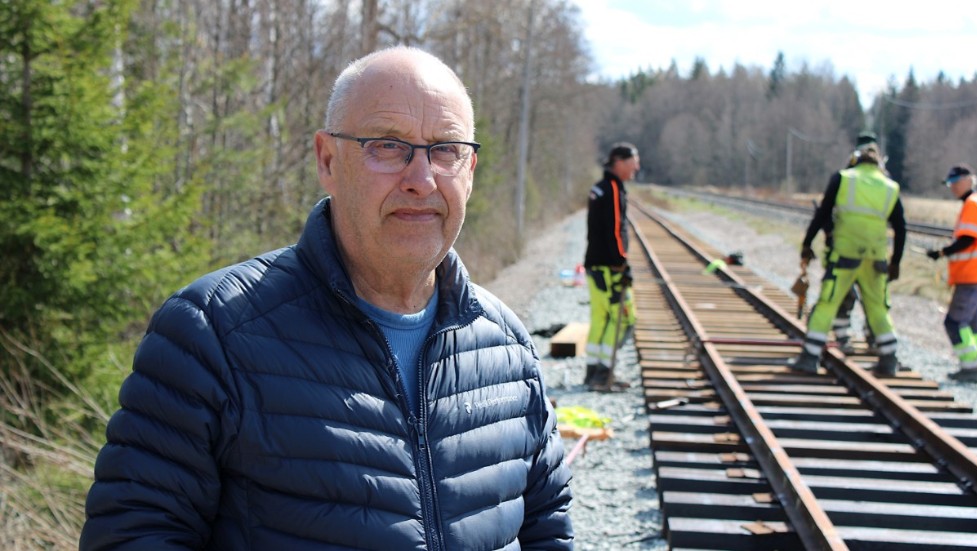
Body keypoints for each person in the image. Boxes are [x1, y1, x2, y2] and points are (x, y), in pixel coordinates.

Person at [80, 46, 574, 550]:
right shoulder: (212, 333)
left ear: (469, 170)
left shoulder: (506, 346)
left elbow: (548, 526)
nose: (421, 179)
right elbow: (131, 535)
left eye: (445, 149)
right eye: (387, 145)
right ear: (327, 160)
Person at [792, 141, 906, 376]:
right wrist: (896, 262)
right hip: (875, 257)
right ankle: (889, 360)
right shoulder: (890, 186)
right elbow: (901, 228)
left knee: (828, 302)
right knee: (877, 307)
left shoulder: (843, 178)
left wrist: (807, 243)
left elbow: (823, 213)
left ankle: (810, 356)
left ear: (857, 160)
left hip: (845, 253)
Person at [583, 143, 639, 391]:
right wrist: (621, 263)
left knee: (600, 319)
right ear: (619, 162)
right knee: (625, 319)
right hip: (609, 268)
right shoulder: (613, 189)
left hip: (595, 265)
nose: (636, 167)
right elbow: (616, 230)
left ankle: (592, 373)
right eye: (633, 162)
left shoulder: (600, 188)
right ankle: (603, 376)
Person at [825, 131, 881, 353]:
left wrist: (829, 235)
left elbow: (828, 209)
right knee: (871, 298)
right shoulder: (878, 175)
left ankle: (846, 336)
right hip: (872, 248)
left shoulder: (848, 173)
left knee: (845, 294)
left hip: (847, 245)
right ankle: (872, 339)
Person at [926, 164, 977, 381]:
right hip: (975, 277)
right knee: (975, 326)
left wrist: (941, 252)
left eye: (955, 182)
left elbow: (968, 239)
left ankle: (971, 367)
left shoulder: (972, 204)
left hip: (971, 276)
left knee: (955, 323)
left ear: (968, 180)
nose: (952, 187)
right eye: (950, 184)